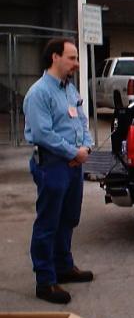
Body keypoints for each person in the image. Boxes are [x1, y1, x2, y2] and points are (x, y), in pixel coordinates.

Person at [23, 38, 94, 304]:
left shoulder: (69, 88)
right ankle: (45, 280)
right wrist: (73, 153)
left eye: (76, 58)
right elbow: (43, 134)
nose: (76, 63)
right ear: (55, 57)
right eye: (72, 57)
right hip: (52, 165)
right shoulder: (39, 93)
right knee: (48, 223)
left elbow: (82, 121)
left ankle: (64, 266)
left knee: (68, 218)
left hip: (73, 164)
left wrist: (85, 147)